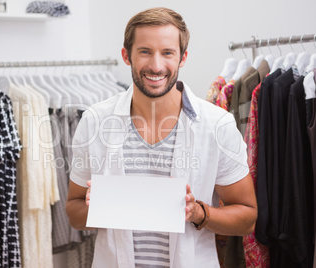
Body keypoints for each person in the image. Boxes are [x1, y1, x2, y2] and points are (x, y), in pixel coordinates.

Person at [66, 7, 257, 268]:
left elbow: (248, 217)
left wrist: (199, 213)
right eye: (145, 51)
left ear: (182, 58)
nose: (156, 66)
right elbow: (74, 213)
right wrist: (97, 207)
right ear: (126, 56)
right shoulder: (94, 121)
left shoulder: (217, 125)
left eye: (167, 53)